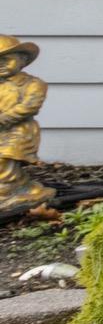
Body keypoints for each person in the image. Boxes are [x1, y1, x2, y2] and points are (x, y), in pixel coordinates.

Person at [0, 35, 53, 214]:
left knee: (4, 158)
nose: (1, 64)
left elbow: (30, 106)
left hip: (18, 131)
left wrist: (4, 118)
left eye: (6, 59)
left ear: (22, 59)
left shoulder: (33, 84)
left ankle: (8, 191)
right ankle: (21, 185)